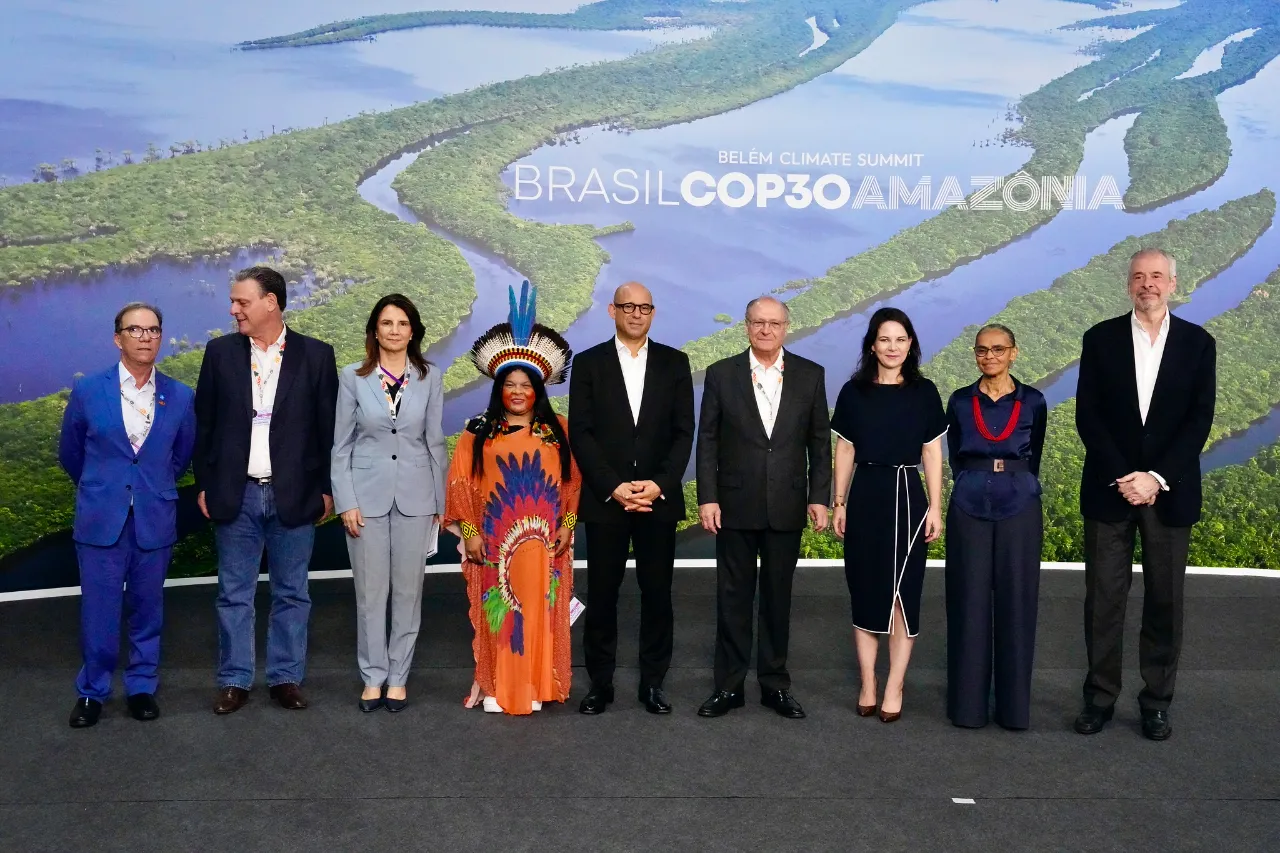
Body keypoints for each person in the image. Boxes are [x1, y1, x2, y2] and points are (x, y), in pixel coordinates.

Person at [1074, 248, 1216, 741]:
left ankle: (1157, 702)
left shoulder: (1198, 343)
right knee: (1103, 602)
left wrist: (1155, 477)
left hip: (1169, 494)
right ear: (1128, 284)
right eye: (1139, 276)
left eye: (1157, 276)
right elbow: (1088, 415)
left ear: (1173, 284)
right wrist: (1124, 476)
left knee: (1164, 602)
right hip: (1109, 490)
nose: (1147, 284)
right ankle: (1099, 698)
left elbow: (1199, 420)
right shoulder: (1100, 338)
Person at [193, 265, 338, 715]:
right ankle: (234, 680)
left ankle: (285, 678)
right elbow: (204, 425)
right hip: (235, 493)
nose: (233, 310)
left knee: (292, 592)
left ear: (270, 303)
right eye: (233, 302)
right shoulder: (219, 353)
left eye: (242, 301)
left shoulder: (316, 355)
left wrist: (326, 488)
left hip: (295, 493)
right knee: (233, 593)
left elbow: (328, 430)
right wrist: (205, 483)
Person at [444, 281, 580, 716]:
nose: (518, 391)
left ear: (539, 389)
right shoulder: (477, 431)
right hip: (494, 543)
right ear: (498, 387)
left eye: (526, 384)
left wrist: (568, 526)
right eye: (510, 384)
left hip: (545, 545)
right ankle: (498, 684)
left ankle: (536, 683)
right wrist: (470, 532)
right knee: (501, 612)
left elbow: (573, 482)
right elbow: (460, 484)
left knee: (539, 610)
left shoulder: (558, 429)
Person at [58, 303, 196, 728]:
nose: (145, 337)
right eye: (135, 330)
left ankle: (141, 687)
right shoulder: (88, 390)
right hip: (101, 519)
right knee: (98, 611)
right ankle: (92, 691)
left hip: (154, 517)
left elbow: (180, 457)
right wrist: (105, 487)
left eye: (153, 330)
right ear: (118, 338)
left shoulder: (180, 395)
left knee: (147, 609)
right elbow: (71, 454)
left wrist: (147, 487)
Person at [696, 296, 831, 719]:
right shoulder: (721, 373)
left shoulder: (811, 374)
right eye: (758, 322)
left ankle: (774, 685)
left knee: (777, 599)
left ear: (787, 327)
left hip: (787, 503)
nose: (766, 330)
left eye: (774, 323)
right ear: (746, 326)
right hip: (734, 503)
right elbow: (708, 440)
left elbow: (819, 443)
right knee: (732, 598)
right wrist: (708, 497)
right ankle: (729, 687)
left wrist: (819, 497)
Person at [569, 281, 694, 715]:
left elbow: (683, 433)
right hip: (608, 500)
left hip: (657, 499)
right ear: (612, 311)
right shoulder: (589, 363)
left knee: (657, 594)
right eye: (628, 306)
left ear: (653, 313)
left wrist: (659, 484)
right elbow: (581, 433)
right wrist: (613, 486)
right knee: (603, 593)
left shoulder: (675, 363)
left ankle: (653, 683)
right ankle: (599, 684)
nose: (636, 314)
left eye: (644, 307)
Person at [332, 294, 447, 713]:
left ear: (412, 331)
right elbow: (341, 446)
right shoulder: (353, 377)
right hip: (365, 499)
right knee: (370, 593)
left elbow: (434, 441)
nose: (394, 330)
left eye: (402, 323)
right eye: (386, 323)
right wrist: (346, 500)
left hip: (417, 497)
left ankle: (398, 677)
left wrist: (442, 502)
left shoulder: (430, 376)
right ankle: (373, 676)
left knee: (408, 593)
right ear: (374, 331)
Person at [831, 307, 945, 723]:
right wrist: (839, 501)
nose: (892, 347)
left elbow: (932, 452)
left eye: (900, 339)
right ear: (872, 346)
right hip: (865, 495)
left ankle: (895, 683)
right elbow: (845, 449)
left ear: (910, 344)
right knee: (864, 590)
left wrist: (936, 507)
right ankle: (868, 682)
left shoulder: (924, 392)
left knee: (902, 595)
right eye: (884, 339)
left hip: (908, 495)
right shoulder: (853, 392)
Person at [944, 324, 1047, 730]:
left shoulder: (1033, 401)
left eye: (998, 349)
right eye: (982, 350)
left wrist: (1017, 483)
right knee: (967, 601)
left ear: (1014, 353)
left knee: (1017, 601)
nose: (990, 357)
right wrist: (972, 481)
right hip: (968, 503)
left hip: (1020, 503)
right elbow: (954, 456)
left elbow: (1034, 454)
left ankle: (1013, 710)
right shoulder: (959, 400)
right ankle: (967, 708)